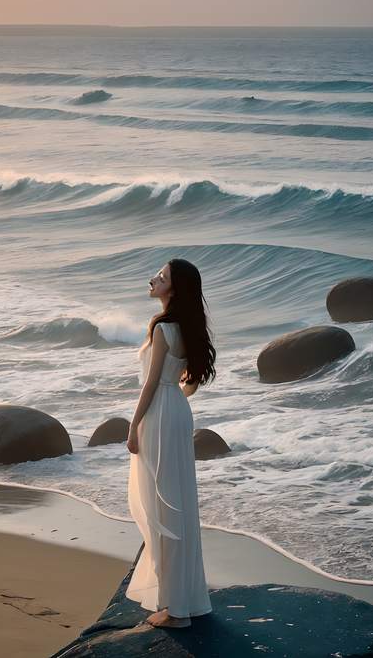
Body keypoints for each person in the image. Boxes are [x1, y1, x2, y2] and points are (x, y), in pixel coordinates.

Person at [126, 258, 216, 628]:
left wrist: (133, 426)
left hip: (161, 414)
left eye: (160, 277)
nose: (153, 280)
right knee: (178, 504)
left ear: (173, 289)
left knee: (163, 507)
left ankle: (176, 611)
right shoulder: (191, 327)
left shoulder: (162, 327)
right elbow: (191, 382)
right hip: (178, 411)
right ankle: (183, 602)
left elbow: (150, 384)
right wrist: (174, 396)